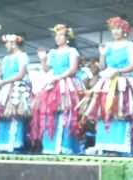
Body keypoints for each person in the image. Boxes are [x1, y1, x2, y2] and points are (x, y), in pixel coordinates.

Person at [78, 17, 133, 156]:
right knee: (106, 112)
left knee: (121, 112)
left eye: (118, 28)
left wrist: (119, 71)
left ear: (125, 30)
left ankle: (121, 147)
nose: (115, 31)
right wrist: (102, 55)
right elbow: (103, 66)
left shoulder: (130, 45)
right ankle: (106, 146)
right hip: (107, 82)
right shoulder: (108, 45)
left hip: (123, 82)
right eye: (113, 29)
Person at [30, 24, 83, 154]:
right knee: (50, 113)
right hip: (54, 83)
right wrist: (42, 59)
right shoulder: (52, 52)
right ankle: (50, 146)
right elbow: (47, 69)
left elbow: (73, 69)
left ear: (67, 38)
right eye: (56, 36)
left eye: (60, 35)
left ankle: (65, 146)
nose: (57, 38)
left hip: (67, 84)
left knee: (67, 113)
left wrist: (58, 77)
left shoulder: (72, 51)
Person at [0, 34, 31, 152]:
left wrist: (4, 81)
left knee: (15, 115)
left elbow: (21, 75)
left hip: (16, 88)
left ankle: (15, 143)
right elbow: (1, 74)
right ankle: (2, 143)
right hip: (4, 88)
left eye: (8, 43)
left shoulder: (22, 56)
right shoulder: (5, 59)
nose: (6, 46)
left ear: (14, 44)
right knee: (2, 115)